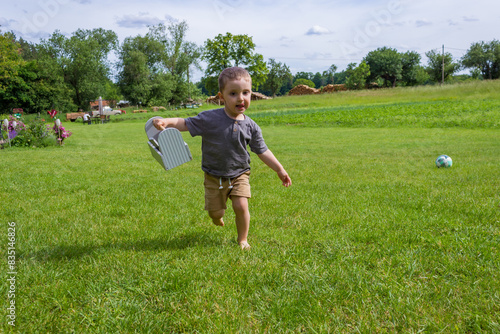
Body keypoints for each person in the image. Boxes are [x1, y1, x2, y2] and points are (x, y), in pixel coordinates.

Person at [154, 67, 291, 250]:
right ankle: (217, 216)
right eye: (233, 93)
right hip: (214, 175)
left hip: (240, 174)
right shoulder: (210, 118)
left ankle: (242, 239)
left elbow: (262, 150)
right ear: (222, 96)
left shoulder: (251, 126)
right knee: (215, 211)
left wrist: (279, 169)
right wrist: (167, 121)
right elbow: (186, 123)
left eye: (245, 92)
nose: (241, 98)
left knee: (241, 206)